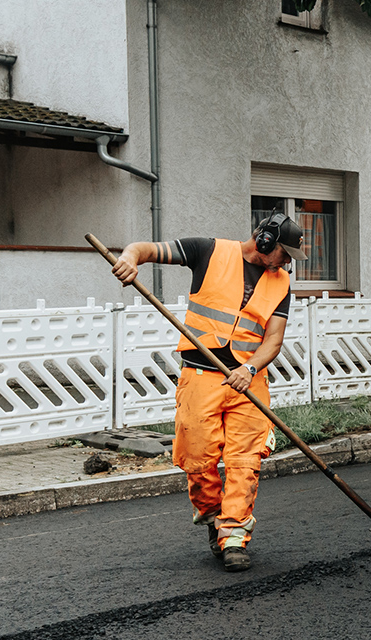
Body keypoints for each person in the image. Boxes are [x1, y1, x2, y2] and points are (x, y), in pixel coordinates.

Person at [108, 214, 307, 572]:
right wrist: (129, 259)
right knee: (198, 461)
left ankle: (234, 537)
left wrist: (249, 369)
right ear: (264, 241)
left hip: (248, 382)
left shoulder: (281, 284)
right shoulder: (208, 251)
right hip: (201, 377)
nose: (288, 261)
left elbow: (273, 340)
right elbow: (144, 249)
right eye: (285, 253)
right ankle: (214, 519)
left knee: (245, 462)